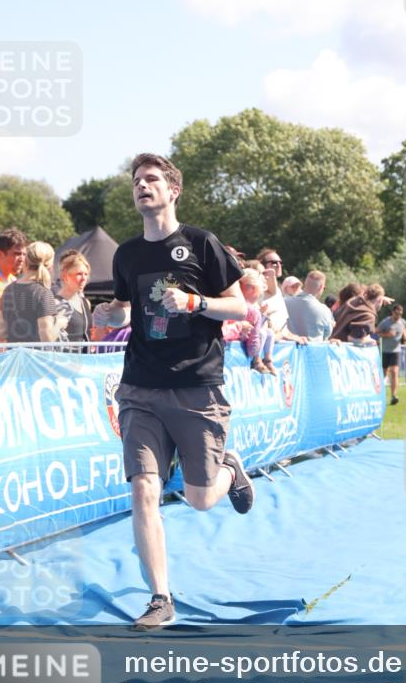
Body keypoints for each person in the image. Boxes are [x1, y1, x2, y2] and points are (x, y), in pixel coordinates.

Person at [92, 153, 251, 631]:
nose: (143, 186)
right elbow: (125, 309)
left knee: (201, 499)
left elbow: (241, 307)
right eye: (137, 180)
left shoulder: (201, 244)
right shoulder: (127, 255)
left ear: (173, 190)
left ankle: (229, 469)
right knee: (144, 489)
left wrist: (196, 302)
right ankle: (161, 597)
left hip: (196, 385)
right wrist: (108, 317)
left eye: (152, 179)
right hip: (140, 385)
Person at [0, 242, 69, 343]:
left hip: (14, 355)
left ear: (26, 261)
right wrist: (59, 323)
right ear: (49, 265)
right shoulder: (43, 293)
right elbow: (47, 339)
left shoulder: (8, 290)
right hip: (35, 357)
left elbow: (1, 332)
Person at [256, 247, 307, 343]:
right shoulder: (257, 290)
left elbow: (282, 327)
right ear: (262, 265)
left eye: (280, 262)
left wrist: (295, 337)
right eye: (274, 262)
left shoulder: (278, 292)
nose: (279, 265)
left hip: (279, 348)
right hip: (265, 347)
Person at [238, 267, 276, 374]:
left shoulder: (229, 302)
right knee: (263, 333)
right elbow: (252, 348)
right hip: (234, 354)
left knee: (268, 333)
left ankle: (266, 360)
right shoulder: (253, 310)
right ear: (255, 289)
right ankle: (257, 360)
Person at [284, 270, 335, 342]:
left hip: (288, 351)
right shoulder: (325, 310)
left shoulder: (284, 303)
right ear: (321, 287)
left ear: (305, 283)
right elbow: (327, 334)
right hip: (313, 351)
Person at [55, 250, 92, 342]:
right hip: (65, 355)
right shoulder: (56, 303)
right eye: (79, 274)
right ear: (65, 276)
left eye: (86, 274)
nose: (84, 279)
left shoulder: (86, 303)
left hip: (86, 355)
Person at [376, 303, 406, 404]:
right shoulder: (385, 322)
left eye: (400, 314)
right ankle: (378, 394)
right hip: (385, 350)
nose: (398, 316)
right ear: (392, 312)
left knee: (394, 372)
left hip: (396, 350)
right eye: (397, 314)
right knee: (383, 373)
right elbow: (376, 332)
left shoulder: (403, 322)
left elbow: (404, 330)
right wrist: (386, 335)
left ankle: (394, 396)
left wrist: (405, 335)